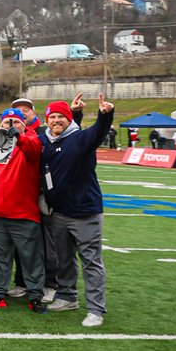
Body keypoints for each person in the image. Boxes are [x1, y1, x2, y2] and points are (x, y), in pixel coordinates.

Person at [40, 95, 115, 327]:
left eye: (60, 116)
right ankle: (67, 296)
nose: (56, 120)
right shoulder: (45, 141)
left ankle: (95, 309)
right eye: (52, 117)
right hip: (59, 211)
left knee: (90, 261)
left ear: (68, 119)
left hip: (85, 211)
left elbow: (97, 133)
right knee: (63, 258)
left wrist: (105, 116)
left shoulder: (81, 138)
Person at [0, 109, 47, 312]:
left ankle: (35, 295)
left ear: (23, 124)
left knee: (30, 259)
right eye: (7, 122)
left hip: (22, 215)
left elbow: (33, 147)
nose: (10, 125)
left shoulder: (30, 141)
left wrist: (19, 136)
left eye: (15, 122)